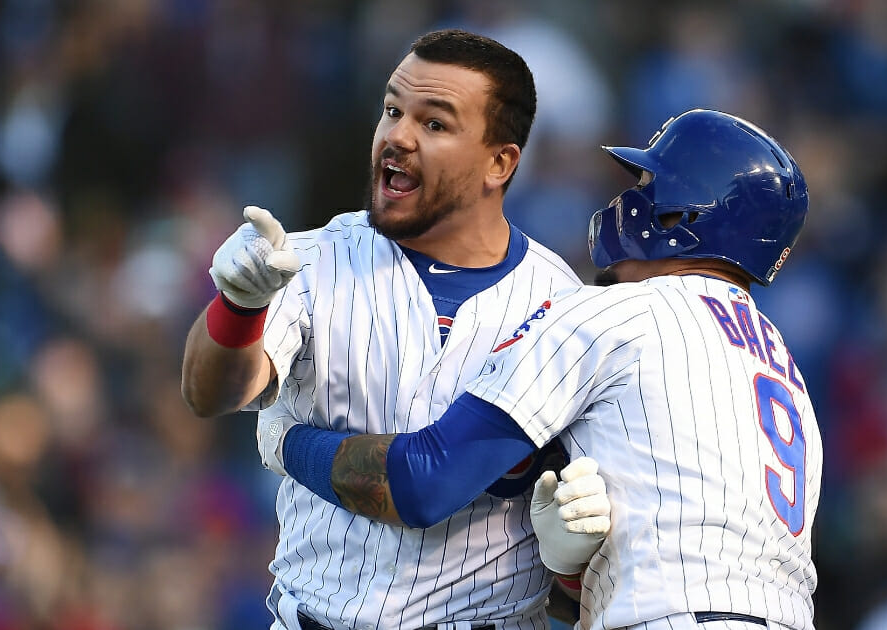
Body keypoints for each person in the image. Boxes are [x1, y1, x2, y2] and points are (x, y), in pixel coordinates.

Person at [270, 108, 823, 630]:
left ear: (681, 216)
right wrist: (570, 570)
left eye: (645, 189)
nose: (627, 201)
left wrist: (287, 443)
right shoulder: (784, 369)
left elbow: (423, 482)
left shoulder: (620, 313)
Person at [180, 29, 590, 630]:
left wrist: (573, 566)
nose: (398, 135)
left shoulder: (563, 304)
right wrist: (238, 306)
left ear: (500, 162)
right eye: (393, 111)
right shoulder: (315, 259)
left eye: (435, 124)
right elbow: (208, 392)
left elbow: (579, 575)